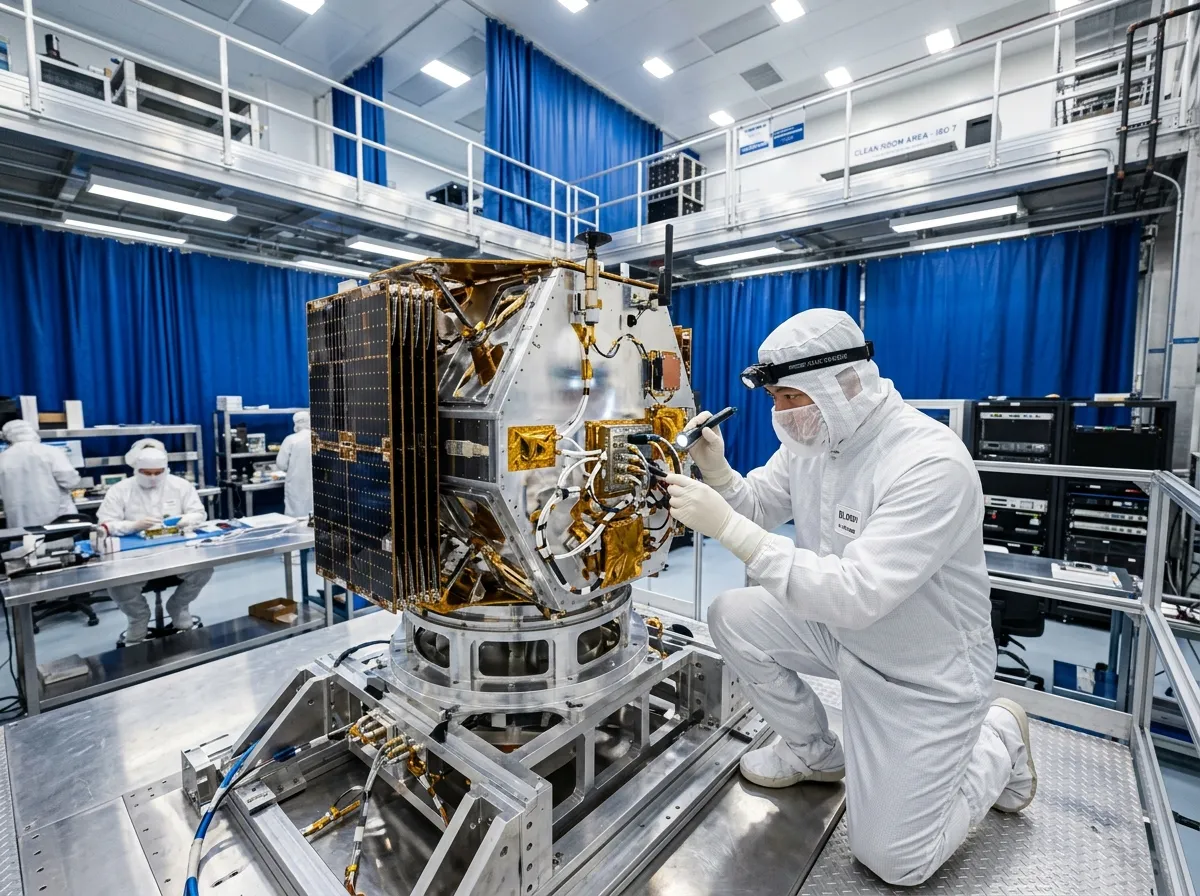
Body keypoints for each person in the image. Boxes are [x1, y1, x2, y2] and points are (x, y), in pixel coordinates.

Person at [662, 308, 1036, 887]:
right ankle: (814, 752)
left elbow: (857, 593)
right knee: (732, 615)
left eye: (790, 397)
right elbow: (758, 505)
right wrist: (720, 474)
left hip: (920, 671)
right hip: (844, 637)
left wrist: (726, 527)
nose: (780, 412)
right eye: (775, 398)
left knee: (894, 861)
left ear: (843, 384)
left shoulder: (927, 463)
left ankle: (999, 737)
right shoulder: (817, 438)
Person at [98, 446, 211, 644]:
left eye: (158, 473)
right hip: (134, 556)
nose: (153, 477)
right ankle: (138, 617)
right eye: (147, 473)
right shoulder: (120, 490)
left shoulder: (180, 486)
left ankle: (178, 606)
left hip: (176, 551)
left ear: (166, 469)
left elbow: (199, 513)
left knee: (204, 569)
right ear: (136, 470)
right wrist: (132, 526)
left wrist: (186, 519)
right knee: (118, 583)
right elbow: (105, 524)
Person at [0, 419, 81, 528]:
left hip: (20, 523)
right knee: (61, 538)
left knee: (27, 539)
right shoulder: (51, 452)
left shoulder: (2, 458)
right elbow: (71, 481)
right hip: (57, 520)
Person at [276, 411, 313, 518]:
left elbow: (281, 464)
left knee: (296, 517)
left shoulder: (291, 439)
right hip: (317, 483)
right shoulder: (318, 438)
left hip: (296, 484)